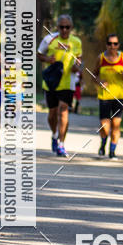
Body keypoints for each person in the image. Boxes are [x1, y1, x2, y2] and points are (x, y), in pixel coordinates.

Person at [37, 14, 82, 158]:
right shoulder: (49, 39)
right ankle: (55, 134)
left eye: (67, 27)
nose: (64, 30)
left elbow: (79, 59)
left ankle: (61, 144)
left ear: (71, 27)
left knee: (63, 110)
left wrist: (77, 67)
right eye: (62, 27)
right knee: (52, 114)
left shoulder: (76, 42)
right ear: (58, 27)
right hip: (51, 82)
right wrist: (47, 59)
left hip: (68, 83)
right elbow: (39, 54)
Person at [93, 34, 123, 159]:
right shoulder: (101, 58)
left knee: (116, 124)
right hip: (105, 95)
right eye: (110, 43)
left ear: (118, 45)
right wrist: (100, 81)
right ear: (106, 45)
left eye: (115, 44)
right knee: (105, 126)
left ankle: (112, 151)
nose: (112, 46)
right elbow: (94, 75)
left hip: (120, 95)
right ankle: (103, 144)